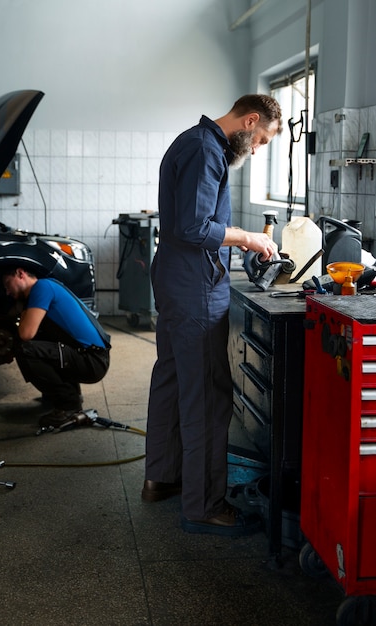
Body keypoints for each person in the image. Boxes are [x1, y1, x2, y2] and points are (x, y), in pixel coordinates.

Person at [141, 94, 283, 536]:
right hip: (194, 288)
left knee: (172, 378)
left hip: (176, 279)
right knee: (205, 393)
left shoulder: (194, 141)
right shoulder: (206, 149)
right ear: (250, 120)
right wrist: (247, 239)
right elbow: (195, 226)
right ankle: (203, 504)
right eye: (260, 139)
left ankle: (160, 478)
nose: (257, 148)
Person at [2, 267, 110, 428]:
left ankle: (68, 406)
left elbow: (26, 333)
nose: (7, 292)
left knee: (25, 349)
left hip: (92, 361)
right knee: (39, 343)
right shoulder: (48, 286)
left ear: (20, 273)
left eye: (7, 284)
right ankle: (67, 396)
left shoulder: (42, 287)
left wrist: (20, 311)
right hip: (90, 356)